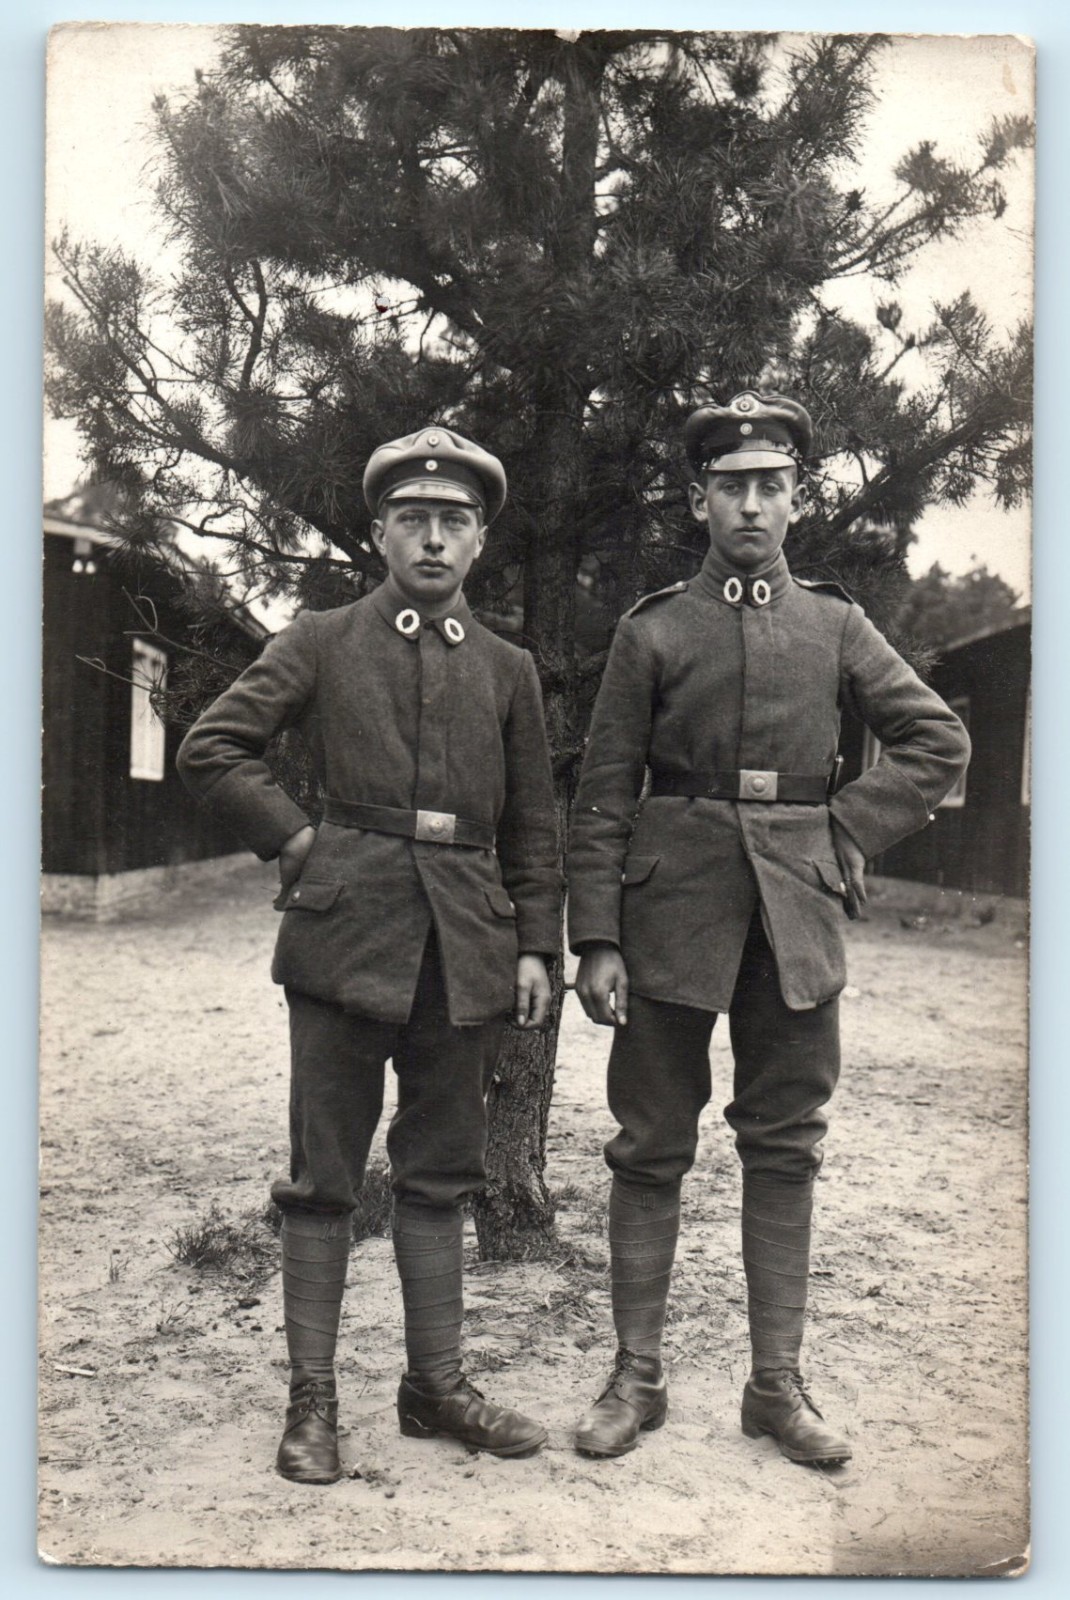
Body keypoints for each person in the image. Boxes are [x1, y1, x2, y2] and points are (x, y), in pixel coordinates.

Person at [565, 391, 970, 1465]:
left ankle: (774, 1386)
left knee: (783, 1144)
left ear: (797, 499)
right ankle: (634, 1376)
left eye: (770, 485)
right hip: (667, 916)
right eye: (730, 485)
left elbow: (933, 743)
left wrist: (840, 829)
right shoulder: (651, 629)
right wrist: (596, 934)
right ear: (699, 499)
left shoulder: (834, 624)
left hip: (793, 919)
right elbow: (603, 790)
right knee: (649, 1142)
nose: (750, 504)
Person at [177, 426, 561, 1483]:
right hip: (343, 940)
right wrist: (300, 839)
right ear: (381, 531)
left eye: (453, 521)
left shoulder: (507, 670)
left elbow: (533, 824)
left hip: (465, 951)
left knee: (441, 1173)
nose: (433, 539)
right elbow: (212, 744)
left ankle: (432, 1386)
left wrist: (537, 946)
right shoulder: (320, 639)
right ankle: (312, 1401)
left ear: (478, 540)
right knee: (324, 1178)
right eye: (413, 519)